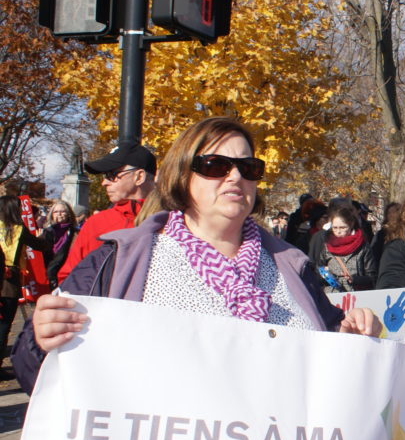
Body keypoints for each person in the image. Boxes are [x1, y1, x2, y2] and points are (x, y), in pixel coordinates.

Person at [12, 117, 380, 395]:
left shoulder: (292, 266)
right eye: (215, 166)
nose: (235, 177)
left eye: (248, 168)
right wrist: (41, 340)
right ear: (182, 176)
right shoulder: (123, 258)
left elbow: (332, 359)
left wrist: (350, 333)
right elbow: (35, 371)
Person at [57, 142, 157, 283]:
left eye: (112, 175)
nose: (104, 182)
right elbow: (69, 278)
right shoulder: (97, 223)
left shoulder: (176, 221)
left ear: (139, 177)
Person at [0, 196, 48, 354]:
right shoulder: (19, 229)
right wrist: (44, 235)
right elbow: (40, 245)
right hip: (9, 279)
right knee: (5, 321)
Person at [308, 203, 377, 292]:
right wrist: (326, 276)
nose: (338, 231)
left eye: (342, 227)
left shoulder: (363, 247)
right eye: (335, 228)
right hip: (332, 299)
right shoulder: (327, 246)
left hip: (356, 297)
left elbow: (372, 277)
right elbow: (317, 272)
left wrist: (355, 279)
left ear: (351, 225)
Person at [41, 199, 78, 289]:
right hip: (49, 269)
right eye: (56, 212)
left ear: (68, 213)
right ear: (52, 215)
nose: (59, 214)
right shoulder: (48, 232)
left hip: (67, 270)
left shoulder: (75, 232)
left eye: (62, 211)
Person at [370, 202, 401, 267]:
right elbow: (374, 254)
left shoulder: (404, 232)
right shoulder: (381, 234)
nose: (391, 215)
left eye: (394, 212)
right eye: (389, 213)